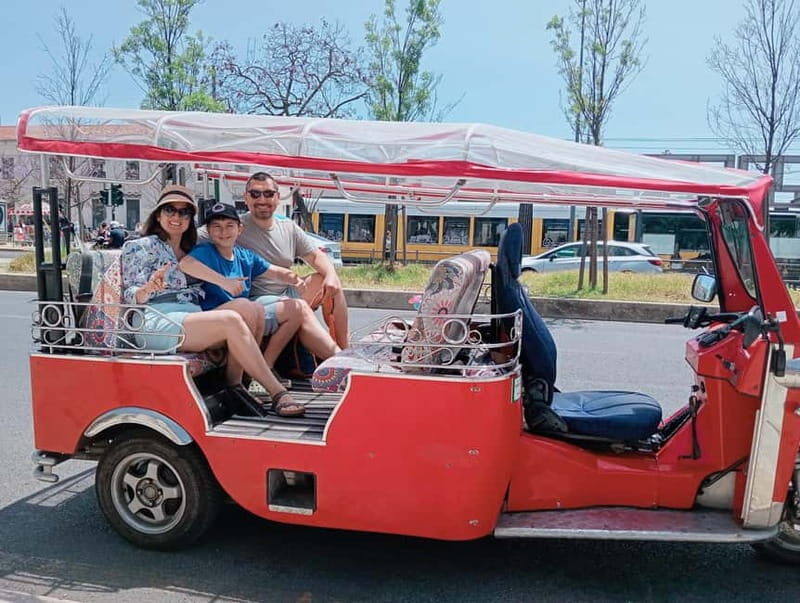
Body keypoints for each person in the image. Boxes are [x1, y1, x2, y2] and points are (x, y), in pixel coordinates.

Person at [121, 184, 304, 417]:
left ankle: (235, 383)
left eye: (184, 212)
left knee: (252, 309)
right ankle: (277, 392)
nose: (177, 217)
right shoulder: (139, 246)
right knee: (231, 320)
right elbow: (130, 294)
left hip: (190, 313)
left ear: (190, 218)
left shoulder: (192, 248)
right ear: (158, 215)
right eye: (170, 210)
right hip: (157, 319)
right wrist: (147, 289)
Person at [179, 202, 304, 375]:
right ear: (208, 231)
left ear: (240, 229)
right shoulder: (206, 251)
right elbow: (186, 264)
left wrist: (294, 279)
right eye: (217, 227)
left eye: (229, 226)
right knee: (246, 307)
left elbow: (273, 271)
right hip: (214, 317)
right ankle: (235, 380)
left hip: (244, 315)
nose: (224, 232)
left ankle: (261, 368)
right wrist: (224, 282)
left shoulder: (244, 256)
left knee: (292, 309)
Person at [236, 172, 349, 350]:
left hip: (287, 291)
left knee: (330, 284)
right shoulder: (233, 227)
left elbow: (315, 256)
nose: (262, 199)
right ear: (246, 197)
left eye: (268, 194)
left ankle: (345, 348)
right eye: (255, 194)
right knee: (299, 308)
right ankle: (338, 361)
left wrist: (331, 275)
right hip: (257, 299)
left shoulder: (288, 227)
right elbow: (195, 239)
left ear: (278, 197)